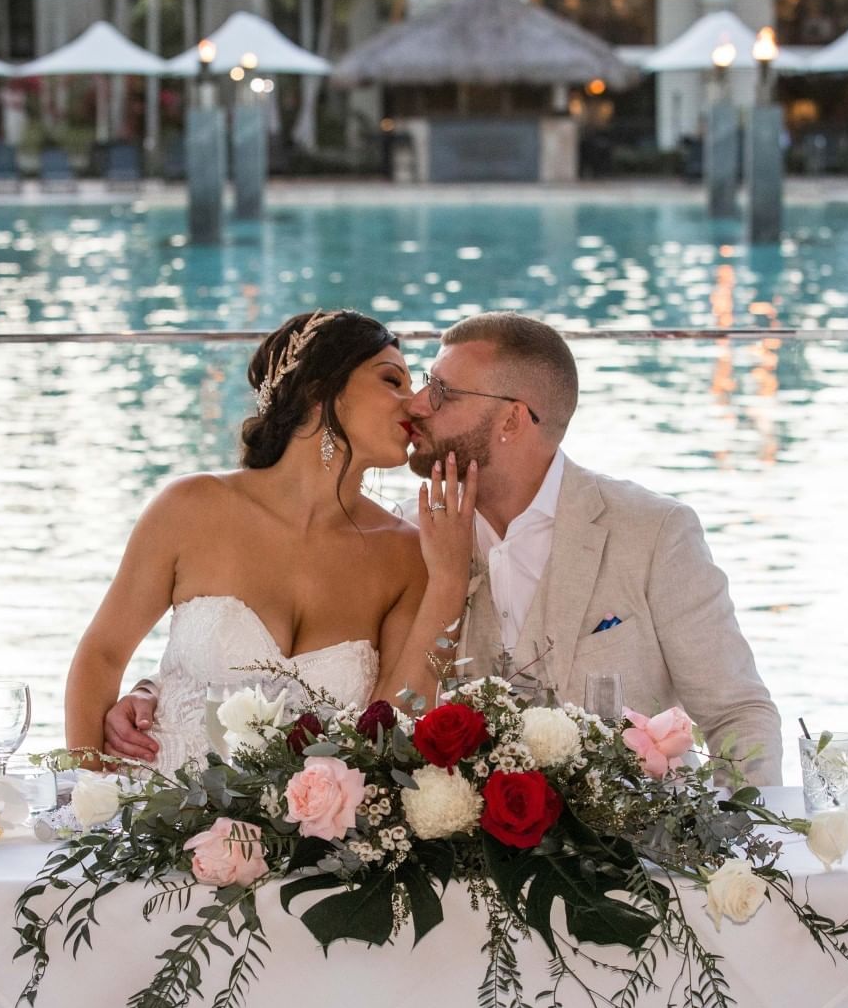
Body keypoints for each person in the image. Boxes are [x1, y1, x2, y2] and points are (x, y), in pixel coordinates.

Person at [102, 313, 784, 788]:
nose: (420, 404)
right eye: (417, 381)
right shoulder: (401, 541)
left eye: (445, 391)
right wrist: (158, 693)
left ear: (514, 419)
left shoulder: (653, 533)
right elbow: (324, 679)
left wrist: (725, 848)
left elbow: (738, 714)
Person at [63, 310, 476, 774]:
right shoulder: (190, 507)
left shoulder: (405, 553)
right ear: (321, 390)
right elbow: (102, 656)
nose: (416, 403)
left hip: (310, 841)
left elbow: (394, 726)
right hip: (148, 818)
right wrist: (85, 803)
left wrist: (449, 579)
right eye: (391, 381)